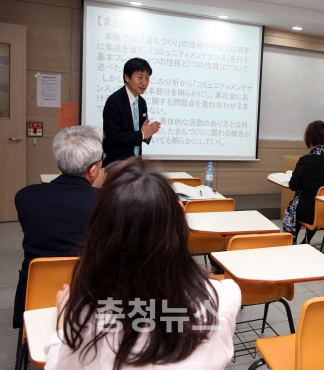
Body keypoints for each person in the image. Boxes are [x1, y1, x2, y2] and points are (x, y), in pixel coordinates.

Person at [45, 158, 241, 370]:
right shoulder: (224, 297)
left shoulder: (86, 316)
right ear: (180, 213)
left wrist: (63, 324)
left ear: (101, 226)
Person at [13, 125, 105, 329]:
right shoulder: (105, 202)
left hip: (34, 299)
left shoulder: (25, 197)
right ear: (92, 170)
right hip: (89, 295)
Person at [282, 121, 324, 243]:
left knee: (293, 209)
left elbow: (293, 186)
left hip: (307, 212)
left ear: (308, 140)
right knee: (313, 205)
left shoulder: (305, 161)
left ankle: (290, 243)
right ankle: (306, 242)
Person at [102, 57, 161, 166]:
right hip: (117, 164)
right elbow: (112, 136)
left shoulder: (142, 102)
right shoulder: (114, 101)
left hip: (135, 162)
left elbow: (141, 132)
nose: (144, 82)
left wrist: (148, 133)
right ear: (127, 77)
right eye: (140, 77)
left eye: (147, 78)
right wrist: (142, 134)